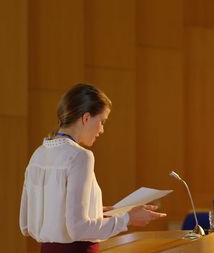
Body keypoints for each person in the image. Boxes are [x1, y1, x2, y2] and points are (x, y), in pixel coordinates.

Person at [19, 83, 166, 253]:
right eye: (102, 121)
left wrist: (99, 210)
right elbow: (78, 228)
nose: (102, 130)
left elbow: (27, 221)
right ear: (86, 118)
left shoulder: (38, 154)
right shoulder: (81, 156)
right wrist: (127, 218)